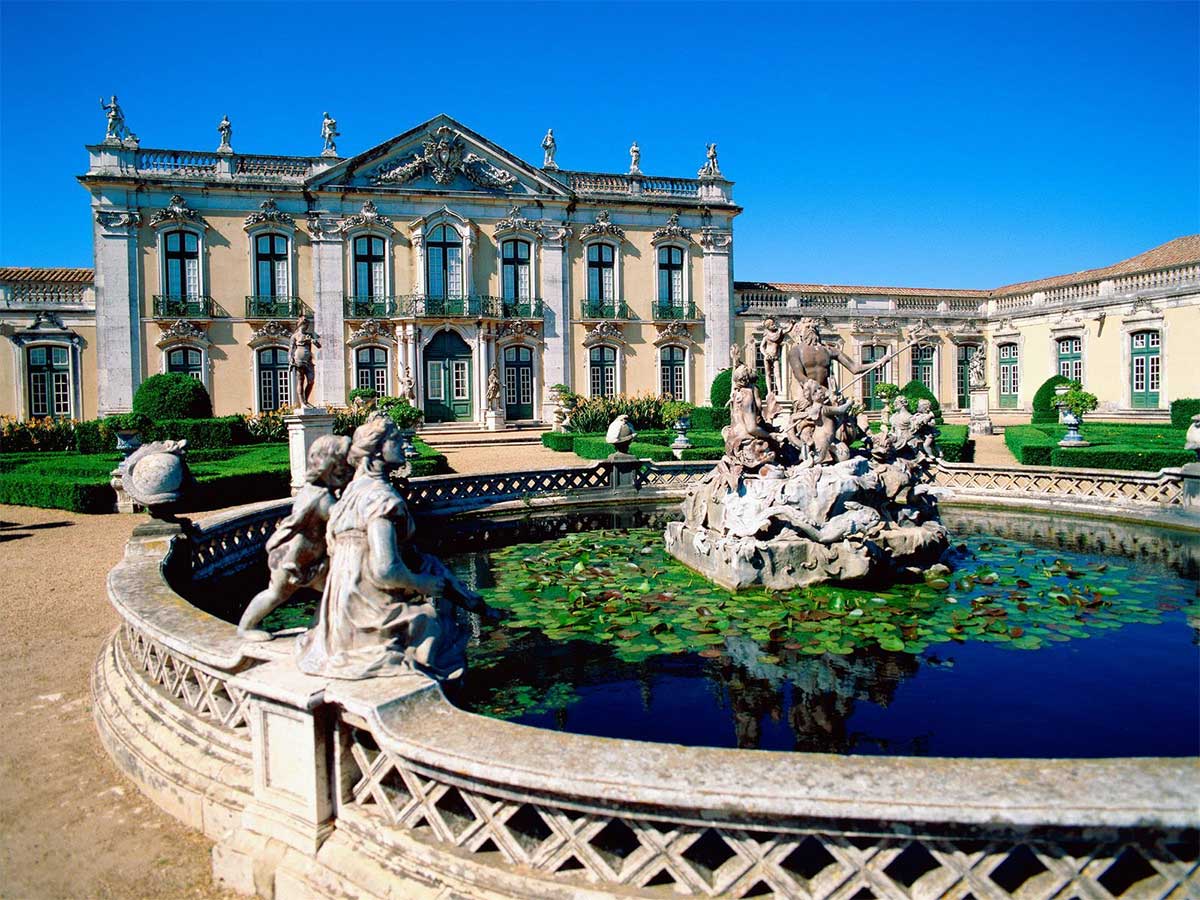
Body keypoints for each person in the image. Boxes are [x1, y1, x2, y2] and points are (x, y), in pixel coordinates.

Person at [295, 414, 488, 680]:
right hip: (368, 615)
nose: (402, 443)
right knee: (434, 627)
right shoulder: (380, 498)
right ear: (376, 450)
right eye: (394, 439)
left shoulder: (348, 495)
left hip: (339, 614)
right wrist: (421, 583)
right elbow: (385, 569)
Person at [237, 435, 352, 641]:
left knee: (334, 591)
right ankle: (246, 627)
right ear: (328, 466)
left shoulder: (312, 490)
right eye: (342, 465)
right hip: (292, 560)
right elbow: (342, 520)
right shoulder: (322, 498)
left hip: (309, 559)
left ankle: (317, 629)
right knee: (276, 594)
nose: (345, 470)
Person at [289, 316, 320, 408]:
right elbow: (291, 349)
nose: (305, 327)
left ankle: (305, 400)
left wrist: (313, 341)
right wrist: (290, 359)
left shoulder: (309, 335)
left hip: (309, 360)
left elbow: (319, 346)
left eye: (306, 325)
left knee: (311, 381)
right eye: (304, 325)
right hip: (299, 359)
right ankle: (303, 403)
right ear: (299, 325)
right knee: (301, 381)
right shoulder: (294, 336)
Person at [758, 317, 794, 394]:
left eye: (774, 323)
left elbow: (787, 330)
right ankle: (769, 391)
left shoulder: (778, 333)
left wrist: (792, 324)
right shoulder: (766, 336)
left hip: (775, 357)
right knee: (768, 374)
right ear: (768, 327)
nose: (774, 325)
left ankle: (780, 391)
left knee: (777, 374)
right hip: (767, 357)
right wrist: (765, 354)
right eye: (772, 324)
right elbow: (761, 347)